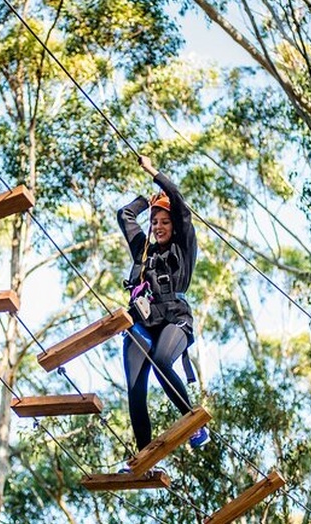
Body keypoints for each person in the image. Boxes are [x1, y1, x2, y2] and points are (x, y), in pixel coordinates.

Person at [117, 155, 209, 455]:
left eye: (164, 222)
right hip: (143, 323)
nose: (158, 227)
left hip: (174, 320)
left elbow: (180, 205)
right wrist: (146, 200)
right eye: (154, 222)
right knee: (135, 386)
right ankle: (145, 456)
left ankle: (194, 423)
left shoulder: (182, 245)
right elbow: (125, 216)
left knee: (161, 360)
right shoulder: (143, 251)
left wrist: (154, 173)